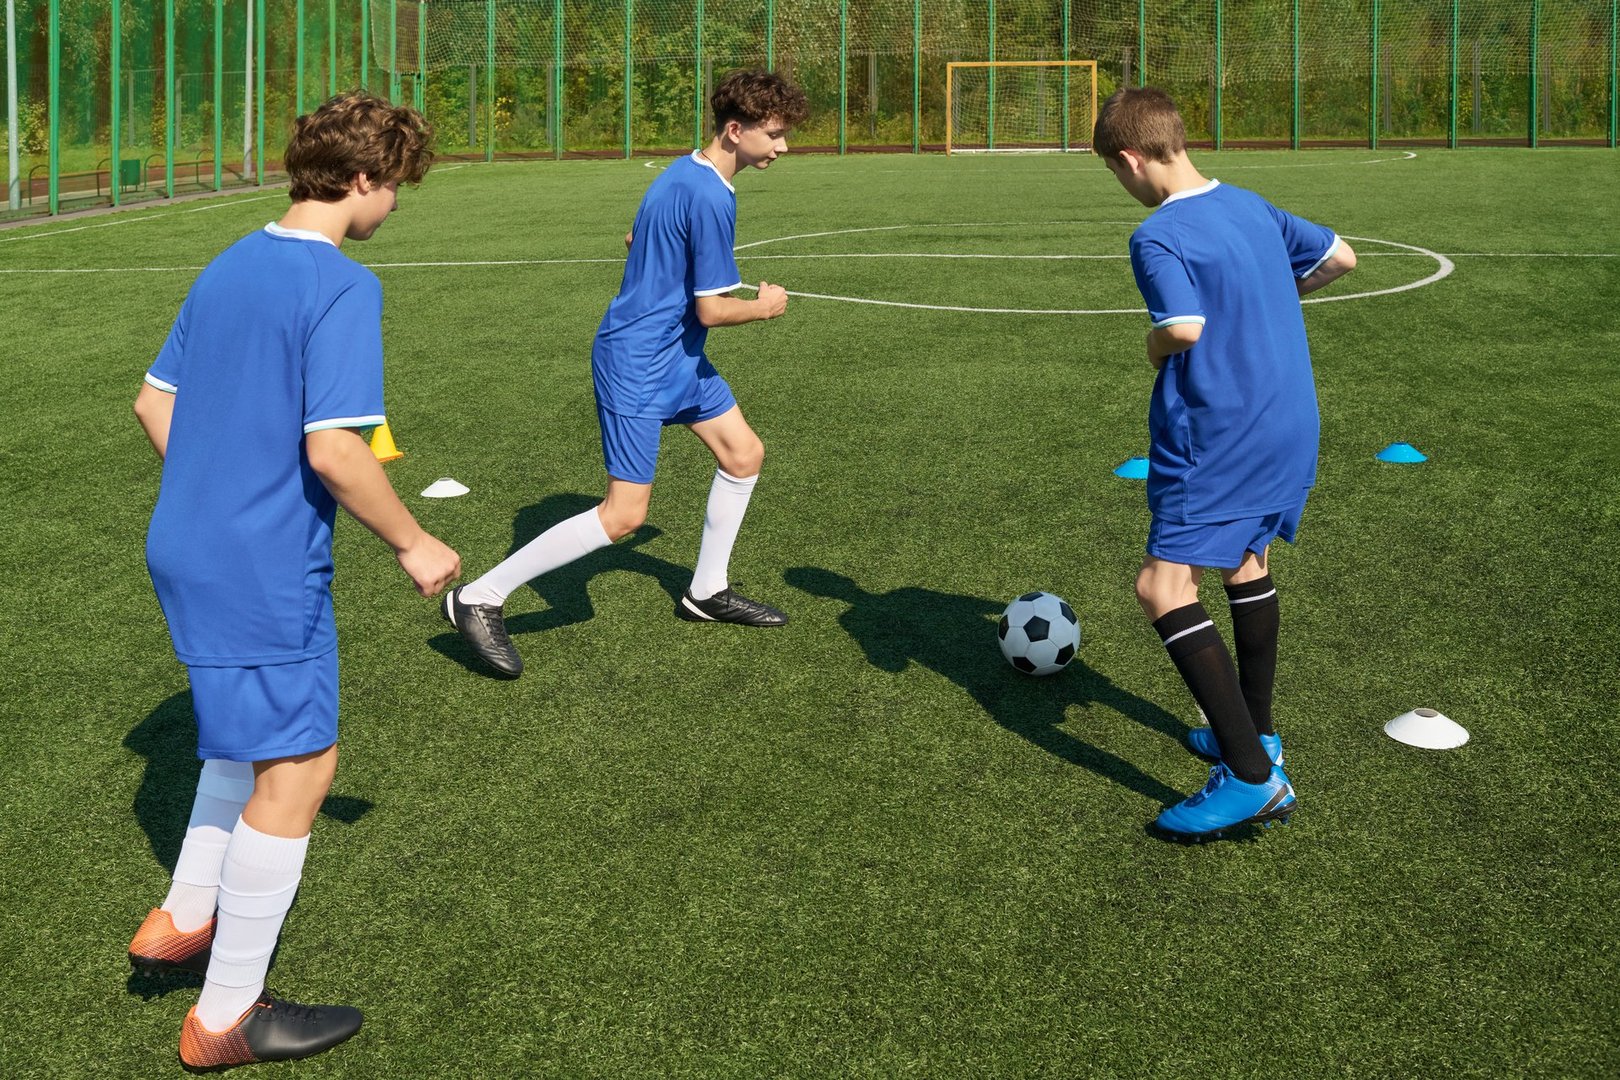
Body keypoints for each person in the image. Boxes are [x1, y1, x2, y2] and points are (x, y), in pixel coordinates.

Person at [129, 91, 460, 1068]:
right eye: (395, 187)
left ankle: (183, 917)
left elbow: (154, 404)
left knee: (244, 745)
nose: (395, 204)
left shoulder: (230, 261)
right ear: (363, 179)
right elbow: (336, 453)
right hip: (260, 564)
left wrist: (213, 488)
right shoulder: (343, 286)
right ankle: (227, 1015)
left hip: (184, 544)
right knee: (303, 764)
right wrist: (414, 544)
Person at [443, 69, 809, 679]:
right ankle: (478, 596)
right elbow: (712, 309)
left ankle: (707, 591)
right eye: (773, 135)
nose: (782, 147)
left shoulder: (683, 173)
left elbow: (637, 234)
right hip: (638, 362)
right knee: (624, 516)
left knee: (743, 453)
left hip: (676, 356)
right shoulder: (711, 194)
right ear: (736, 130)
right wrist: (765, 307)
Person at [1093, 87, 1357, 841]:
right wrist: (1272, 297)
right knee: (1247, 559)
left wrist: (1149, 345)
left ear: (1131, 158)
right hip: (1290, 420)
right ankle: (1257, 732)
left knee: (1161, 585)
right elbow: (1340, 257)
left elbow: (1180, 328)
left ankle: (1250, 778)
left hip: (1221, 431)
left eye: (1117, 172)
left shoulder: (1157, 235)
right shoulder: (1249, 203)